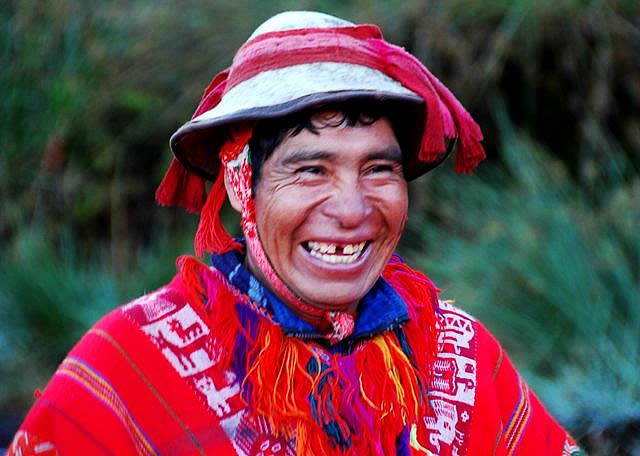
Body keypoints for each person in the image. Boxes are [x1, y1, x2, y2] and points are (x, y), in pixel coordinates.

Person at [9, 11, 583, 456]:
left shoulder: (456, 356)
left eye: (379, 169)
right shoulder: (133, 367)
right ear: (242, 186)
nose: (353, 209)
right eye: (311, 170)